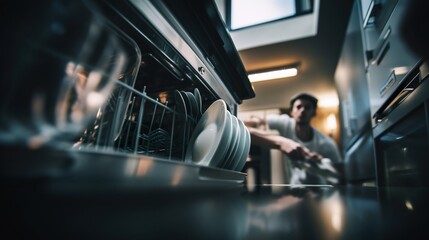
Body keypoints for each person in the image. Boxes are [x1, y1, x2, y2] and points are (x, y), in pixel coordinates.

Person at [244, 93, 342, 185]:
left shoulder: (327, 144)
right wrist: (257, 121)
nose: (302, 110)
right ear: (291, 111)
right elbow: (253, 123)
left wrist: (321, 163)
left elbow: (340, 175)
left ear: (314, 113)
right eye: (299, 107)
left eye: (307, 107)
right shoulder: (286, 123)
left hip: (321, 193)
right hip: (295, 190)